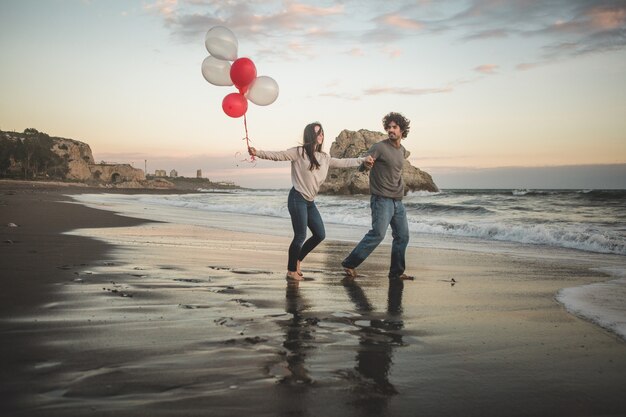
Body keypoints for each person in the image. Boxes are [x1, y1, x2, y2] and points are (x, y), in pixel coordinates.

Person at [249, 122, 373, 281]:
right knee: (300, 236)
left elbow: (344, 162)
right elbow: (278, 155)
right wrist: (257, 152)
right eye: (317, 133)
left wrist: (362, 160)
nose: (320, 136)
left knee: (320, 234)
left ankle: (297, 260)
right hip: (297, 198)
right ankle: (291, 271)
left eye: (322, 133)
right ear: (309, 135)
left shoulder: (324, 157)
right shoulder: (299, 152)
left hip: (309, 201)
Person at [341, 112, 413, 281]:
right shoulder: (379, 147)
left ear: (402, 130)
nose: (391, 130)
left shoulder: (402, 150)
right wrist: (366, 164)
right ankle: (349, 263)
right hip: (382, 199)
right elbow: (364, 167)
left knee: (403, 236)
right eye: (388, 127)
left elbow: (396, 172)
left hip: (398, 201)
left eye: (394, 127)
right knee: (378, 234)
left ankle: (396, 272)